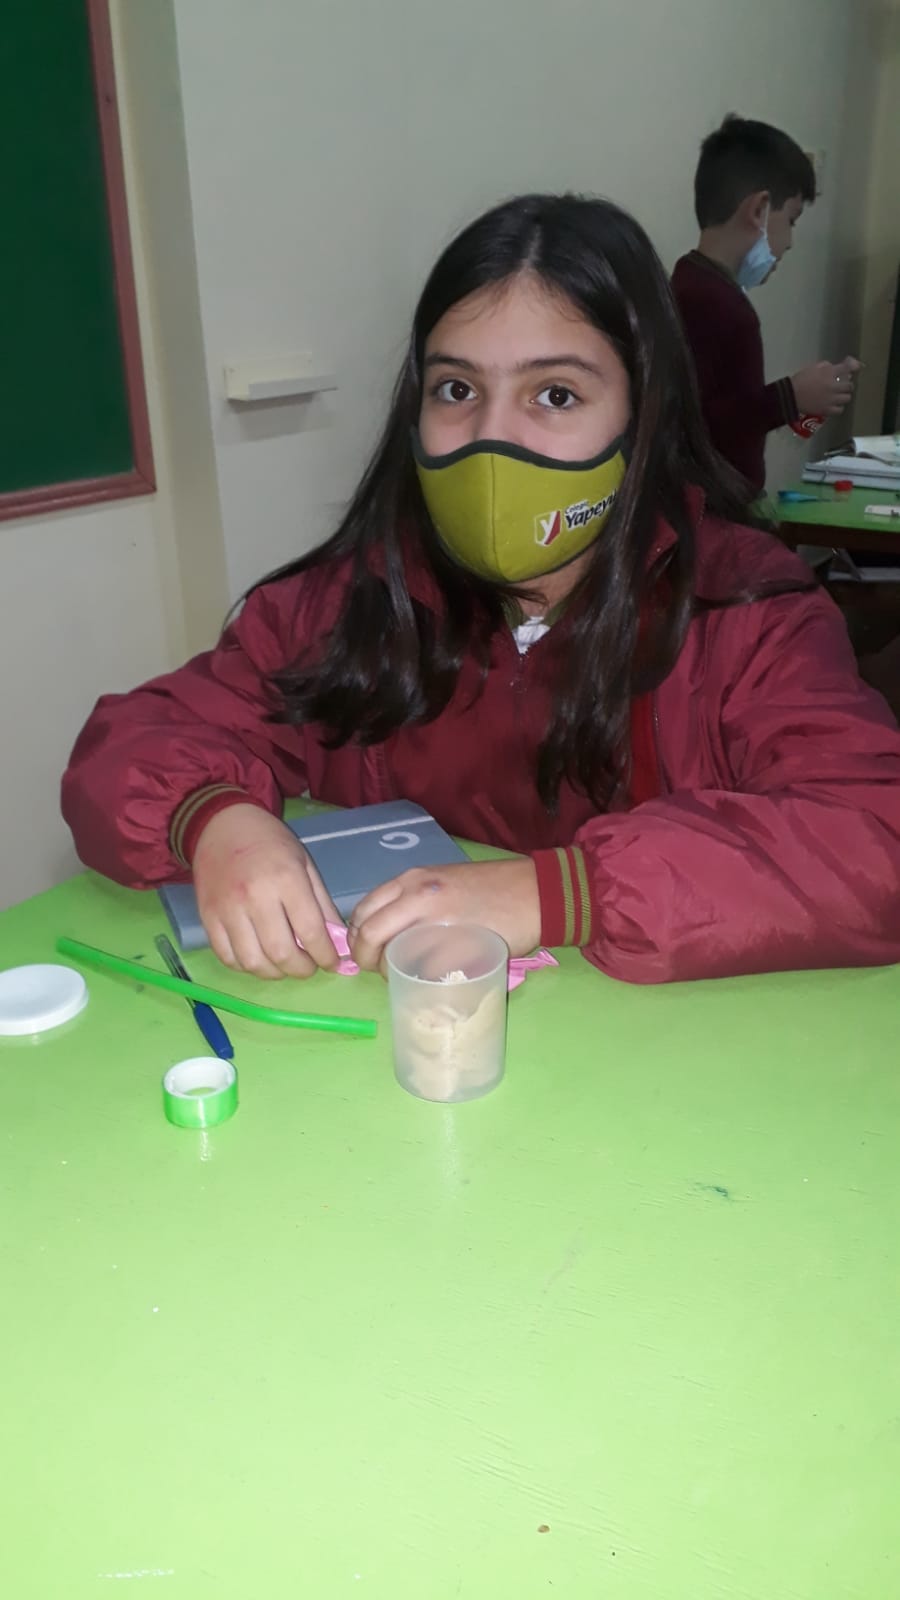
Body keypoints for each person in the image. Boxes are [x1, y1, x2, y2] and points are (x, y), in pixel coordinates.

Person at [61, 194, 900, 986]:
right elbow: (133, 742)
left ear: (642, 415)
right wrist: (213, 819)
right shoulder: (347, 602)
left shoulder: (746, 614)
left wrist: (563, 894)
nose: (492, 438)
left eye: (556, 395)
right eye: (456, 390)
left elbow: (874, 839)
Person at [672, 115, 860, 493]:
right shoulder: (718, 305)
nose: (790, 242)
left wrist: (801, 396)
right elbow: (702, 426)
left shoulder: (689, 281)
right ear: (758, 210)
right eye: (791, 220)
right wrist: (790, 397)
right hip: (714, 507)